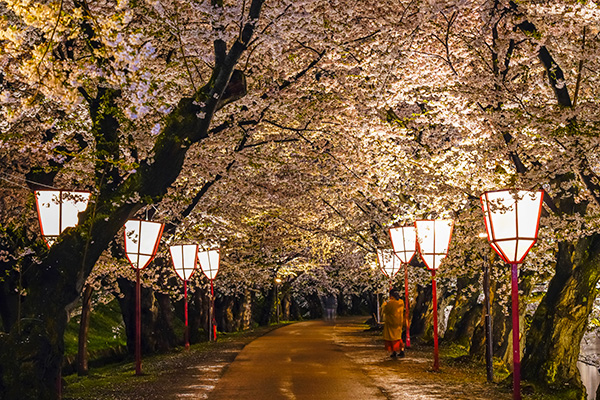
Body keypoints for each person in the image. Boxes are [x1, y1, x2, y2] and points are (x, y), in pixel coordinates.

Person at [382, 289, 405, 358]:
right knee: (398, 337)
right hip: (399, 322)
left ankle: (394, 351)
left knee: (391, 338)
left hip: (391, 322)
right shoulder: (401, 302)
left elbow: (385, 310)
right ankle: (401, 350)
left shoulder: (390, 303)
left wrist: (385, 303)